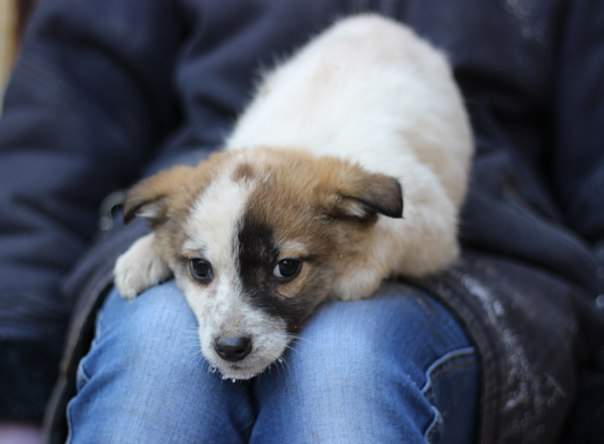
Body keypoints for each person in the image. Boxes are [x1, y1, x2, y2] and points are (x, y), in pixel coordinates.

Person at [1, 1, 603, 443]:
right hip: (211, 192)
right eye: (199, 271)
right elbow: (62, 119)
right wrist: (15, 369)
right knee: (157, 351)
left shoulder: (373, 175)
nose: (230, 333)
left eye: (286, 270)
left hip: (495, 254)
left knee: (345, 361)